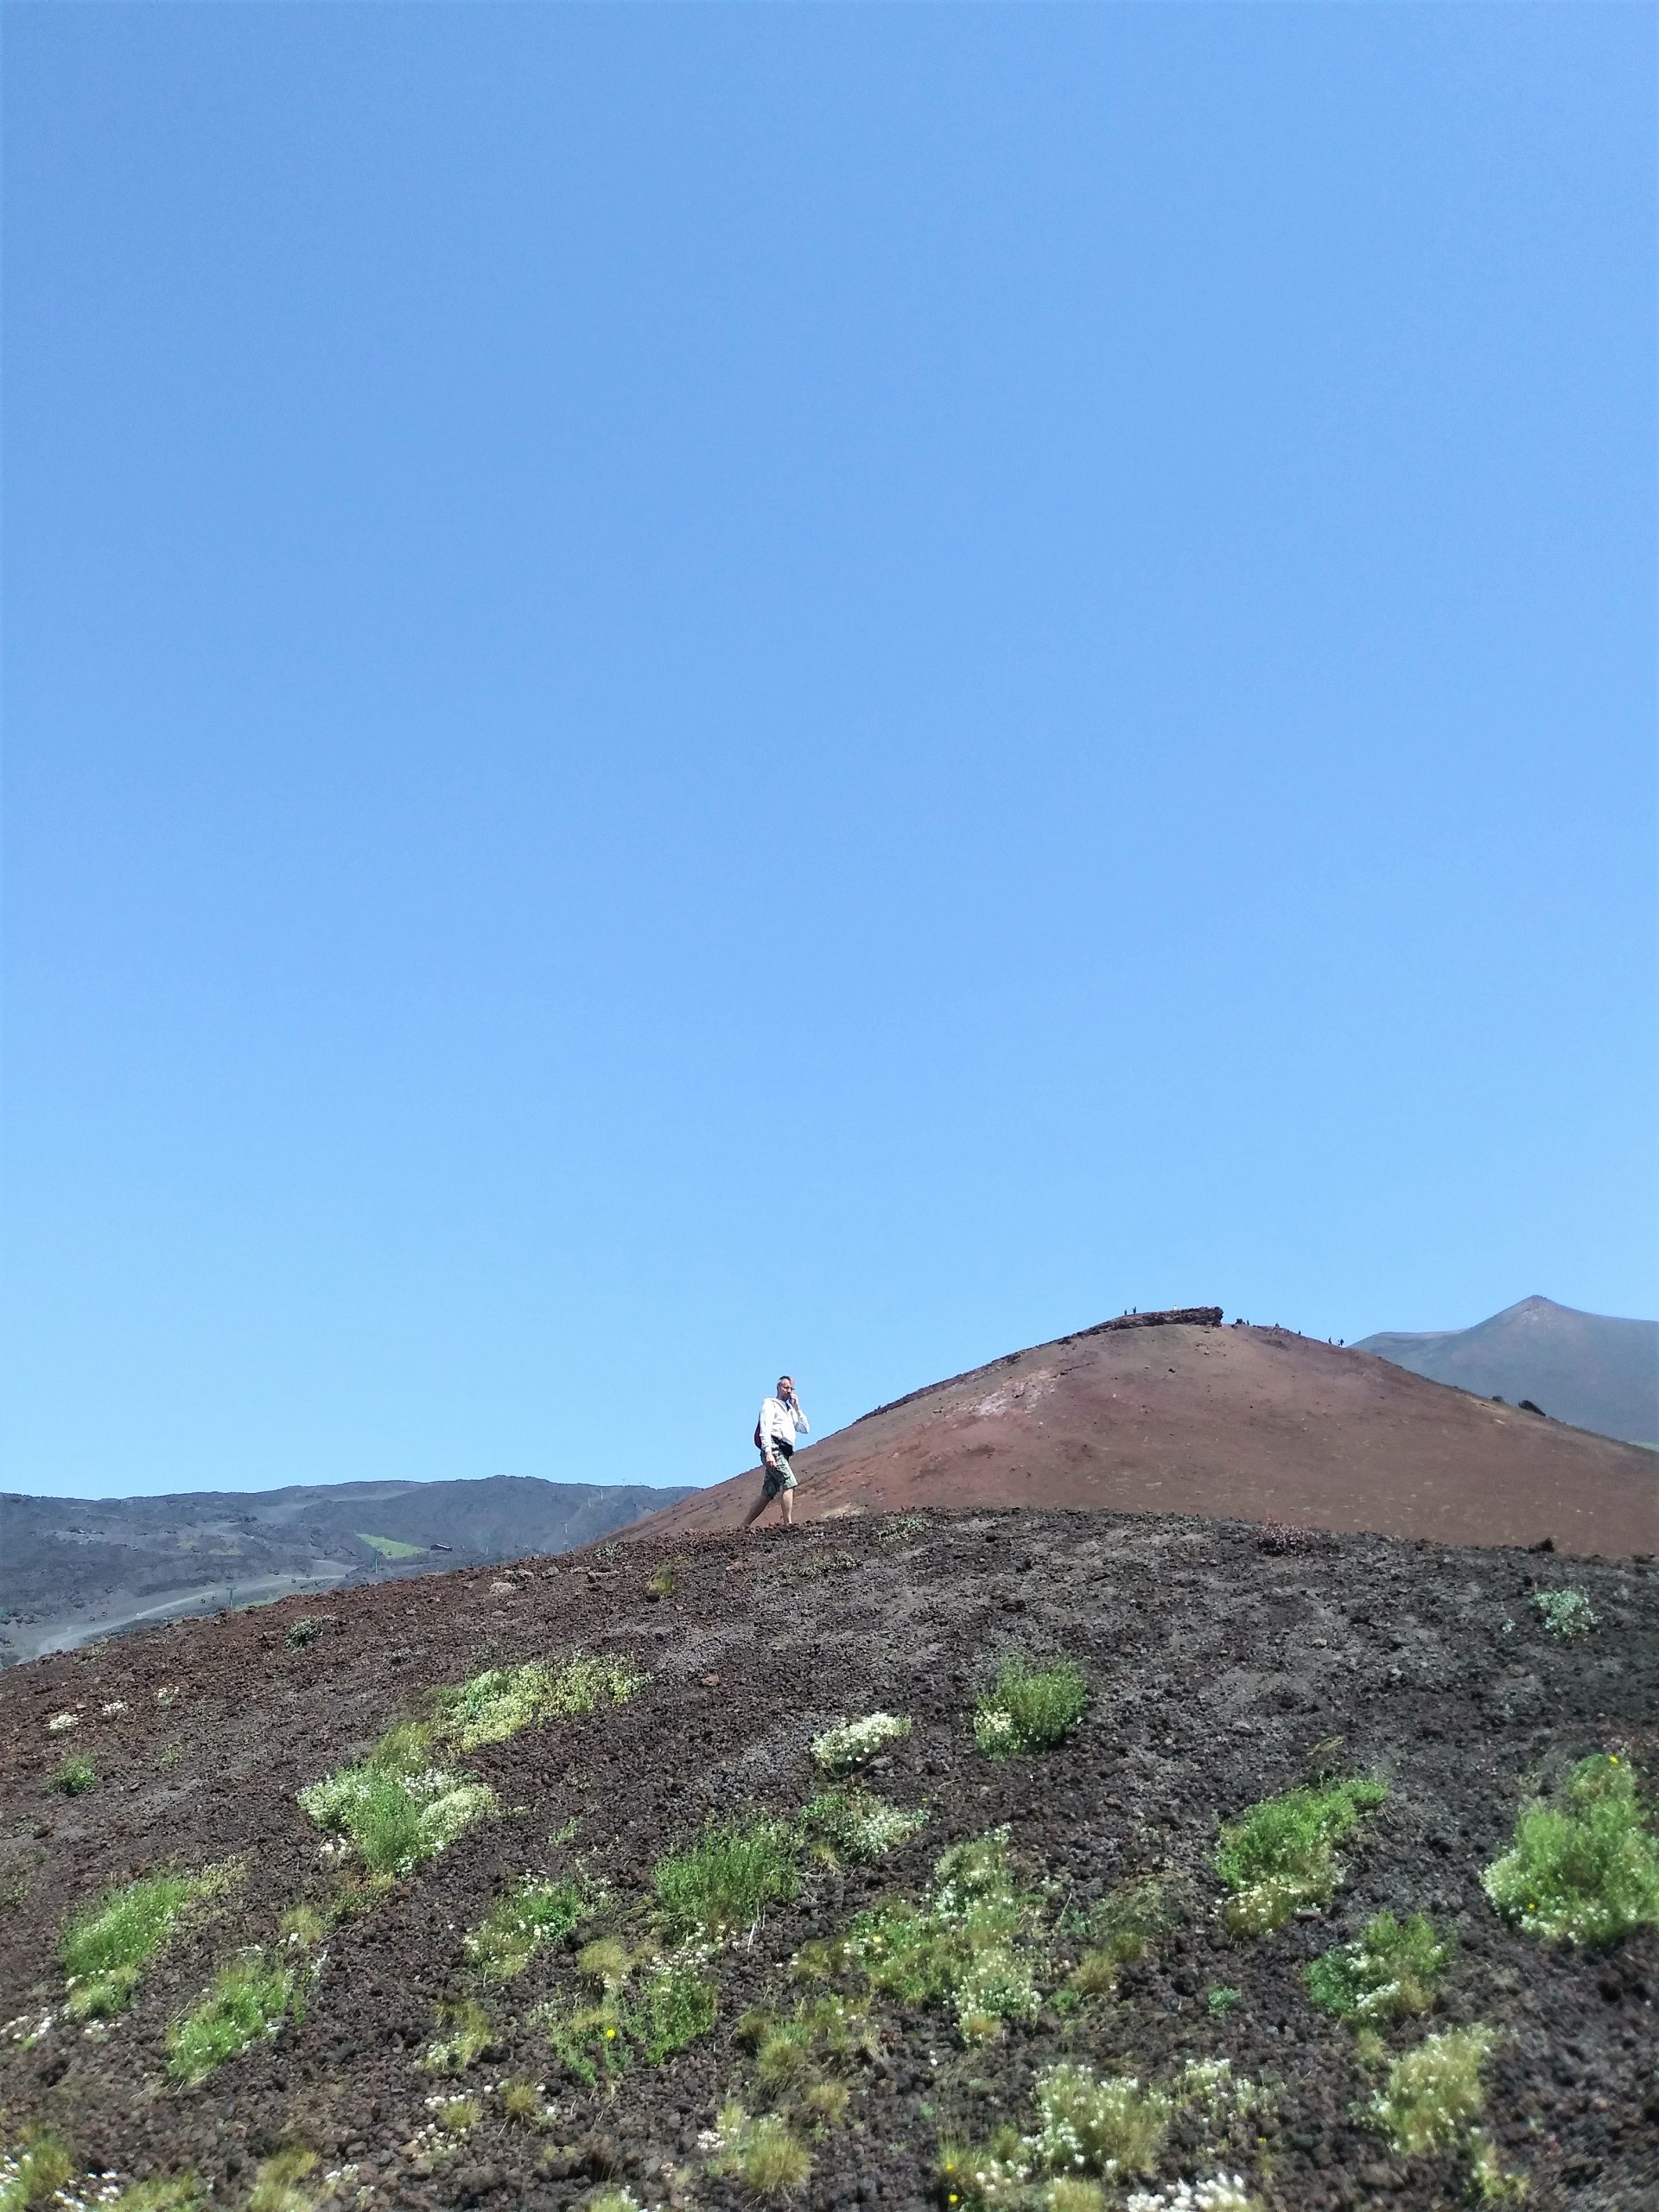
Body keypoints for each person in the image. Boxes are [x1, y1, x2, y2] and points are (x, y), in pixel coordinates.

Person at [744, 1375, 809, 1531]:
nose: (789, 1391)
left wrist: (797, 1408)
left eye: (792, 1389)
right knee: (789, 1482)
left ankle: (743, 1526)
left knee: (768, 1492)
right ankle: (788, 1524)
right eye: (786, 1388)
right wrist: (768, 1452)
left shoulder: (790, 1410)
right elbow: (764, 1429)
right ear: (778, 1387)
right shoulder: (770, 1404)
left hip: (784, 1452)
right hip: (774, 1448)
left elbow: (805, 1428)